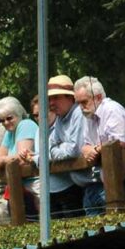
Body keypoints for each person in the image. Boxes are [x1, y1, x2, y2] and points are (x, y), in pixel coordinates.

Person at [74, 77, 125, 213]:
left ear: (99, 97)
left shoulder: (111, 109)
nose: (81, 107)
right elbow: (85, 145)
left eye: (84, 102)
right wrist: (88, 150)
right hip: (115, 180)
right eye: (78, 103)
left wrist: (94, 149)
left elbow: (117, 143)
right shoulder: (88, 115)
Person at [38, 75, 85, 217]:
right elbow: (50, 147)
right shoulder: (60, 118)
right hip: (75, 181)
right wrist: (59, 148)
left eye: (56, 97)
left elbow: (73, 151)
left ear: (70, 97)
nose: (51, 103)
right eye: (50, 99)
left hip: (83, 185)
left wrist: (58, 148)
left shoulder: (79, 114)